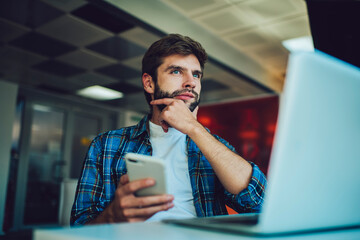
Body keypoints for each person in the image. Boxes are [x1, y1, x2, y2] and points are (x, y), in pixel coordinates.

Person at [71, 34, 267, 225]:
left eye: (196, 74)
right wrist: (113, 216)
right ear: (149, 83)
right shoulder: (106, 145)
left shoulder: (214, 146)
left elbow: (259, 204)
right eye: (176, 71)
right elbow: (79, 224)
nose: (191, 82)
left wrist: (193, 127)